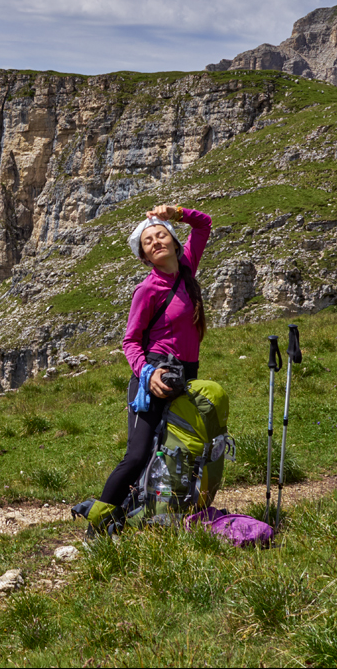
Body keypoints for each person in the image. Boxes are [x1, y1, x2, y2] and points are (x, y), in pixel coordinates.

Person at [87, 203, 212, 530]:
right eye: (148, 241)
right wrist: (147, 373)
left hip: (187, 374)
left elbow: (204, 225)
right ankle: (96, 524)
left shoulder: (187, 269)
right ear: (143, 255)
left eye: (161, 235)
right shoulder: (147, 289)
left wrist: (175, 212)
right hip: (153, 374)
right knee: (139, 455)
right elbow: (130, 340)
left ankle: (164, 513)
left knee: (180, 449)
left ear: (173, 241)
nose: (156, 242)